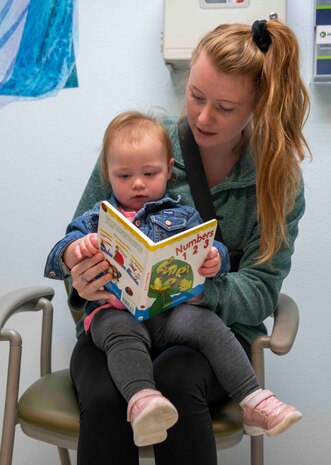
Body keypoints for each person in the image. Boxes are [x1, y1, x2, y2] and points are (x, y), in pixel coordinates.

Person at [48, 19, 310, 465]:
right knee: (107, 393)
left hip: (204, 336)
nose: (204, 117)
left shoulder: (277, 179)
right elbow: (79, 239)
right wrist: (83, 277)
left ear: (257, 107)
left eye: (226, 108)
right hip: (115, 326)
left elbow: (262, 291)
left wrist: (194, 285)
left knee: (175, 373)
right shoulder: (136, 150)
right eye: (196, 95)